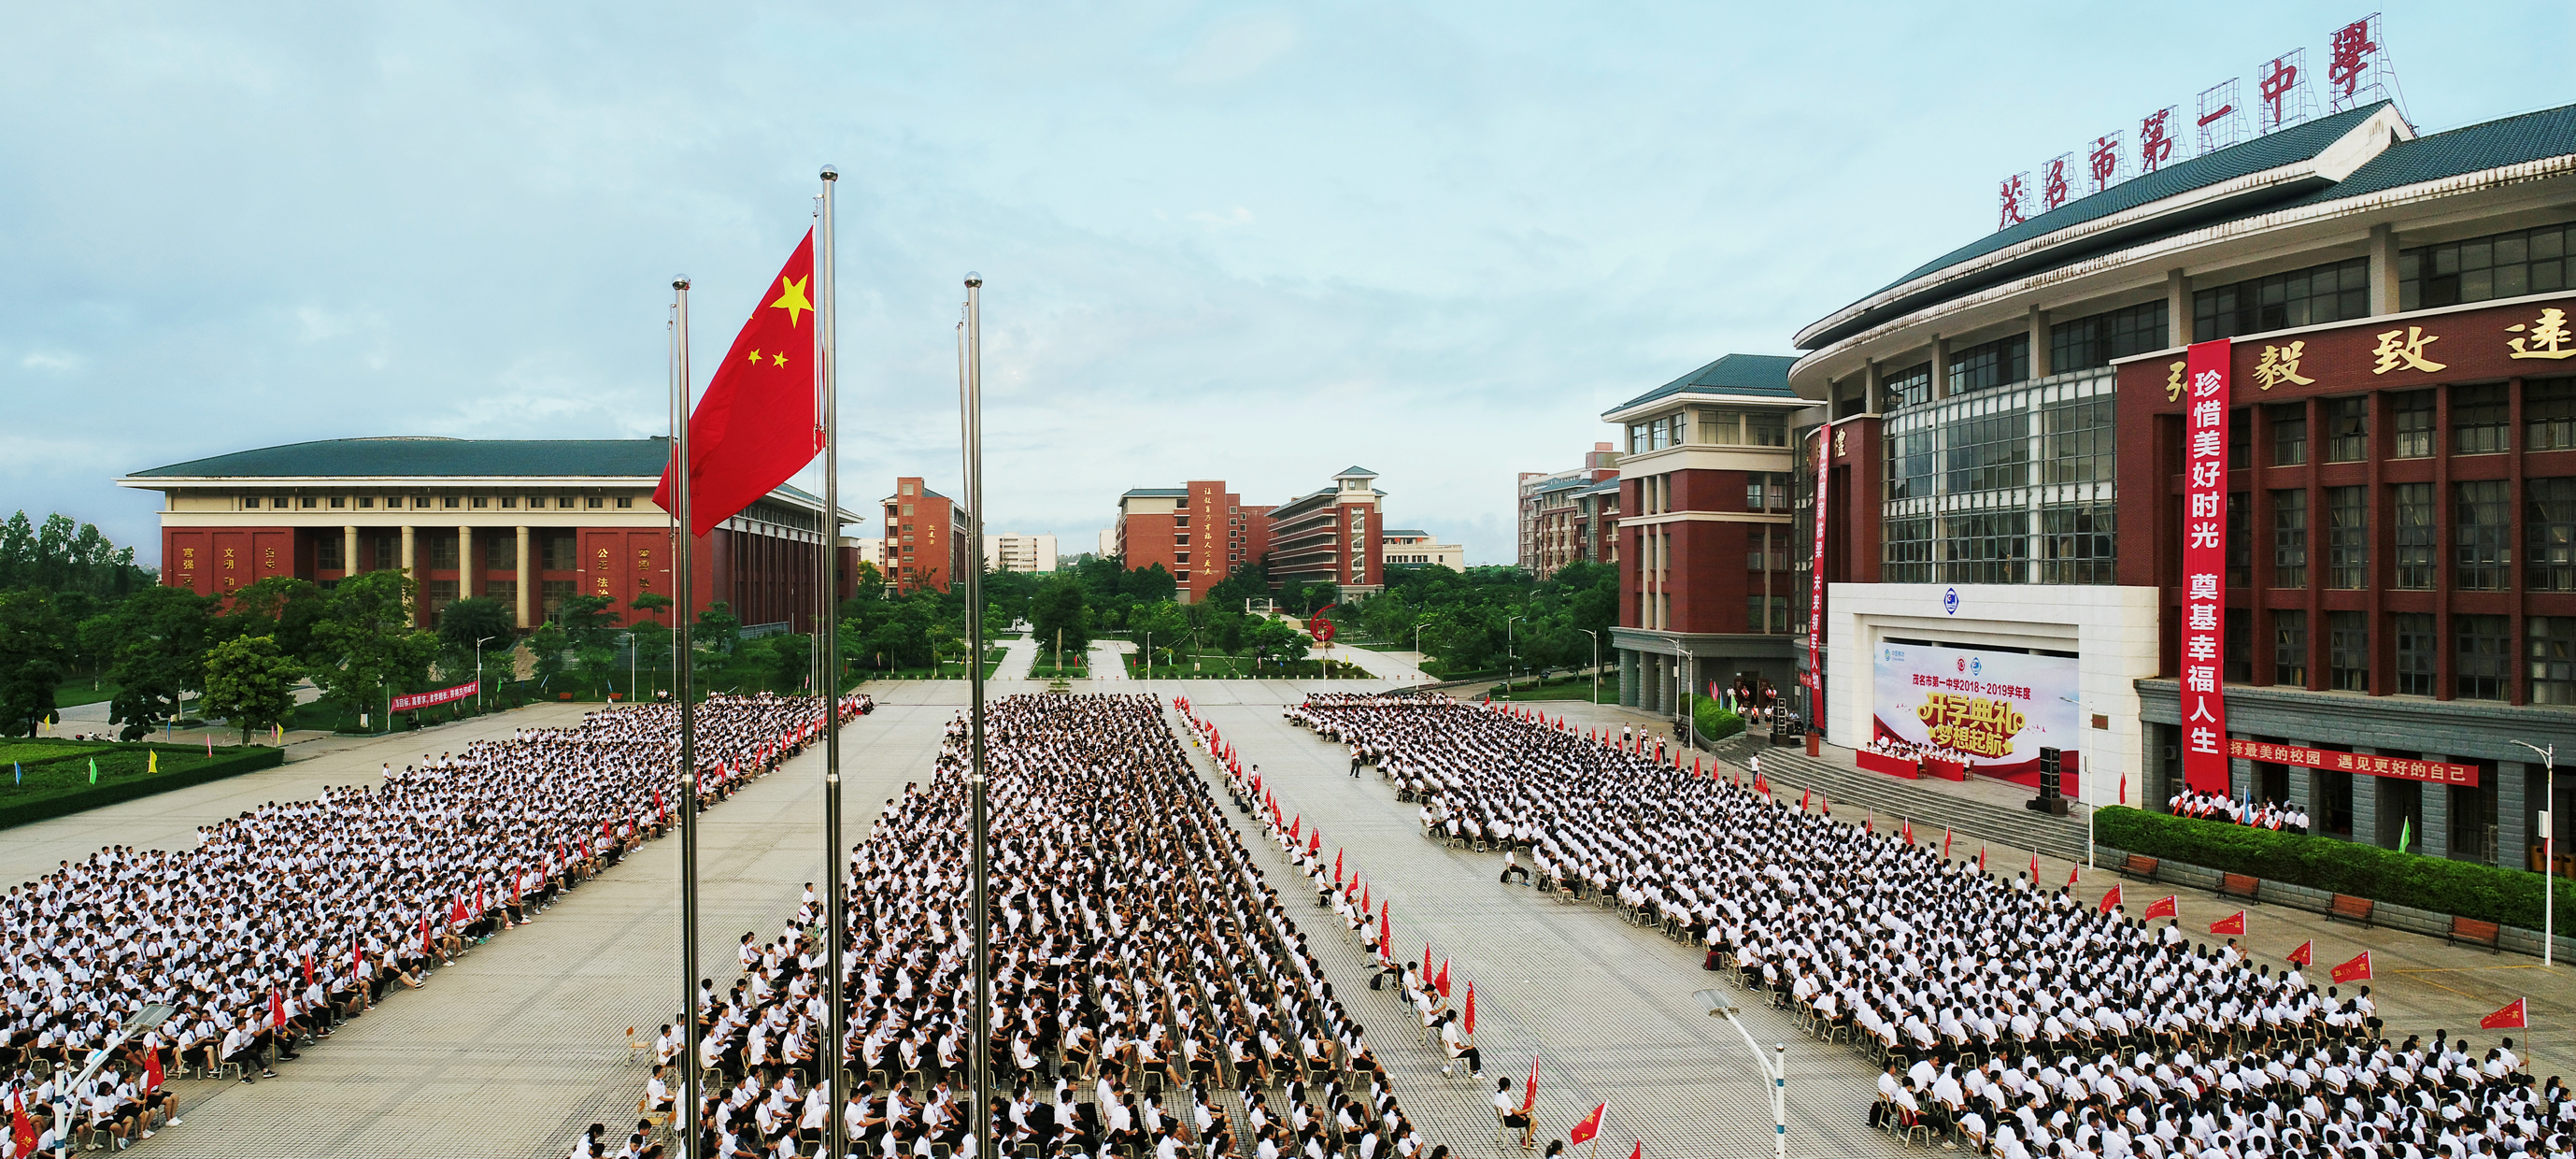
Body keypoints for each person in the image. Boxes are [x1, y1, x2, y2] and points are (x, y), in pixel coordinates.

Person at [1493, 1078, 1532, 1149]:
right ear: (1507, 1087)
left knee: (1528, 1117)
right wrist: (1528, 1109)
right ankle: (1527, 1140)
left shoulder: (1498, 1094)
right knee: (1531, 1121)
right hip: (1510, 1120)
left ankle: (1527, 1137)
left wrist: (1520, 1116)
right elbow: (1516, 1112)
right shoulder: (1505, 1098)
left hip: (1504, 1118)